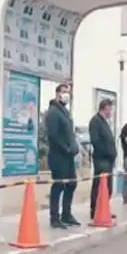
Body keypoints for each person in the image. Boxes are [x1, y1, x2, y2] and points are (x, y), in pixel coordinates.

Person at [44, 83, 81, 229]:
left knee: (72, 183)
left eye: (68, 92)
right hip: (58, 155)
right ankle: (54, 217)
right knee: (59, 184)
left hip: (69, 155)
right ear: (57, 93)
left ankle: (67, 213)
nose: (66, 95)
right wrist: (66, 148)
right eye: (64, 92)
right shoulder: (53, 112)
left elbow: (69, 133)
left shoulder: (65, 112)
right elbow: (53, 135)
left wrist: (74, 146)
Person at [88, 98, 118, 220]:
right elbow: (95, 140)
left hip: (109, 160)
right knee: (99, 185)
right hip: (101, 160)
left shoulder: (105, 122)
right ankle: (95, 210)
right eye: (110, 109)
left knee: (107, 187)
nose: (111, 112)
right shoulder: (95, 121)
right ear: (105, 108)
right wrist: (106, 152)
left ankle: (104, 208)